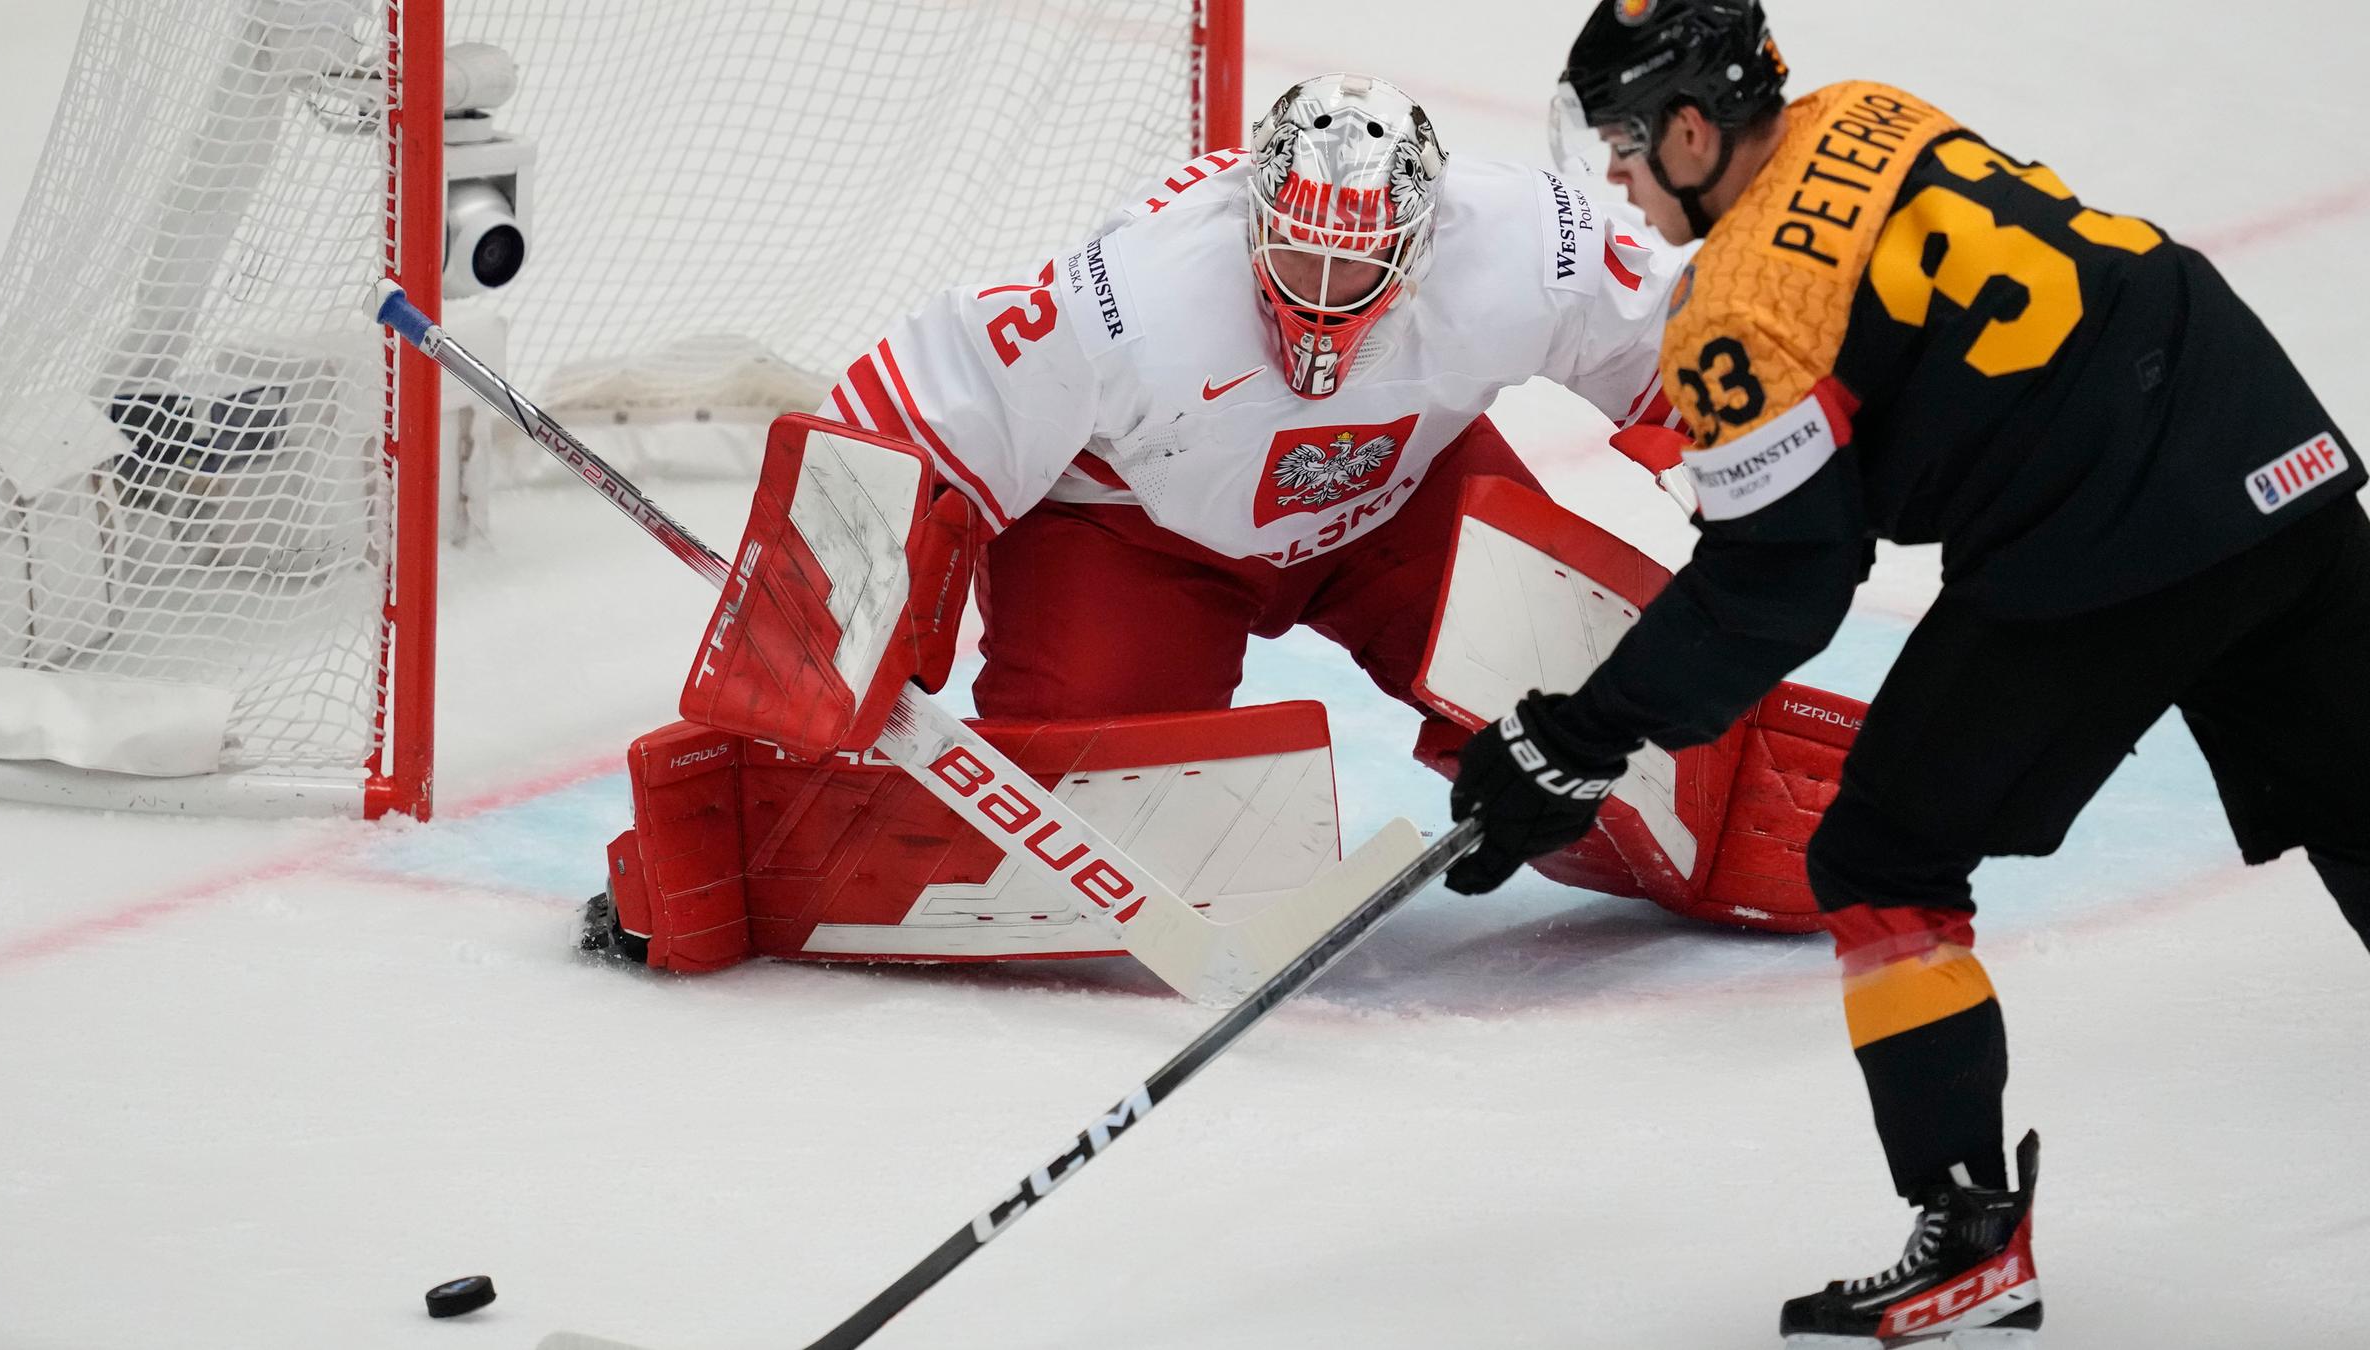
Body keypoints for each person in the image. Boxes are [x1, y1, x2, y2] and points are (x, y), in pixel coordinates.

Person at [1446, 0, 2370, 1343]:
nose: (1616, 178)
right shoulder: (1867, 110)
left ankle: (1969, 1234)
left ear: (1697, 132)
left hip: (2106, 525)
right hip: (2259, 425)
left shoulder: (1739, 309)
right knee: (2356, 795)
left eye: (1629, 145)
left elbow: (1782, 590)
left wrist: (1582, 733)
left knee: (1882, 853)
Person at [811, 71, 1826, 933]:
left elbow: (1689, 349)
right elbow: (920, 403)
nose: (1323, 288)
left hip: (1398, 496)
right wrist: (816, 624)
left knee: (1581, 712)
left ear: (1426, 239)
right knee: (1102, 822)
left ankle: (1744, 817)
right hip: (1132, 535)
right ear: (1252, 214)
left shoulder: (1524, 238)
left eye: (1360, 261)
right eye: (1297, 251)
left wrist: (1777, 492)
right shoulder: (1138, 286)